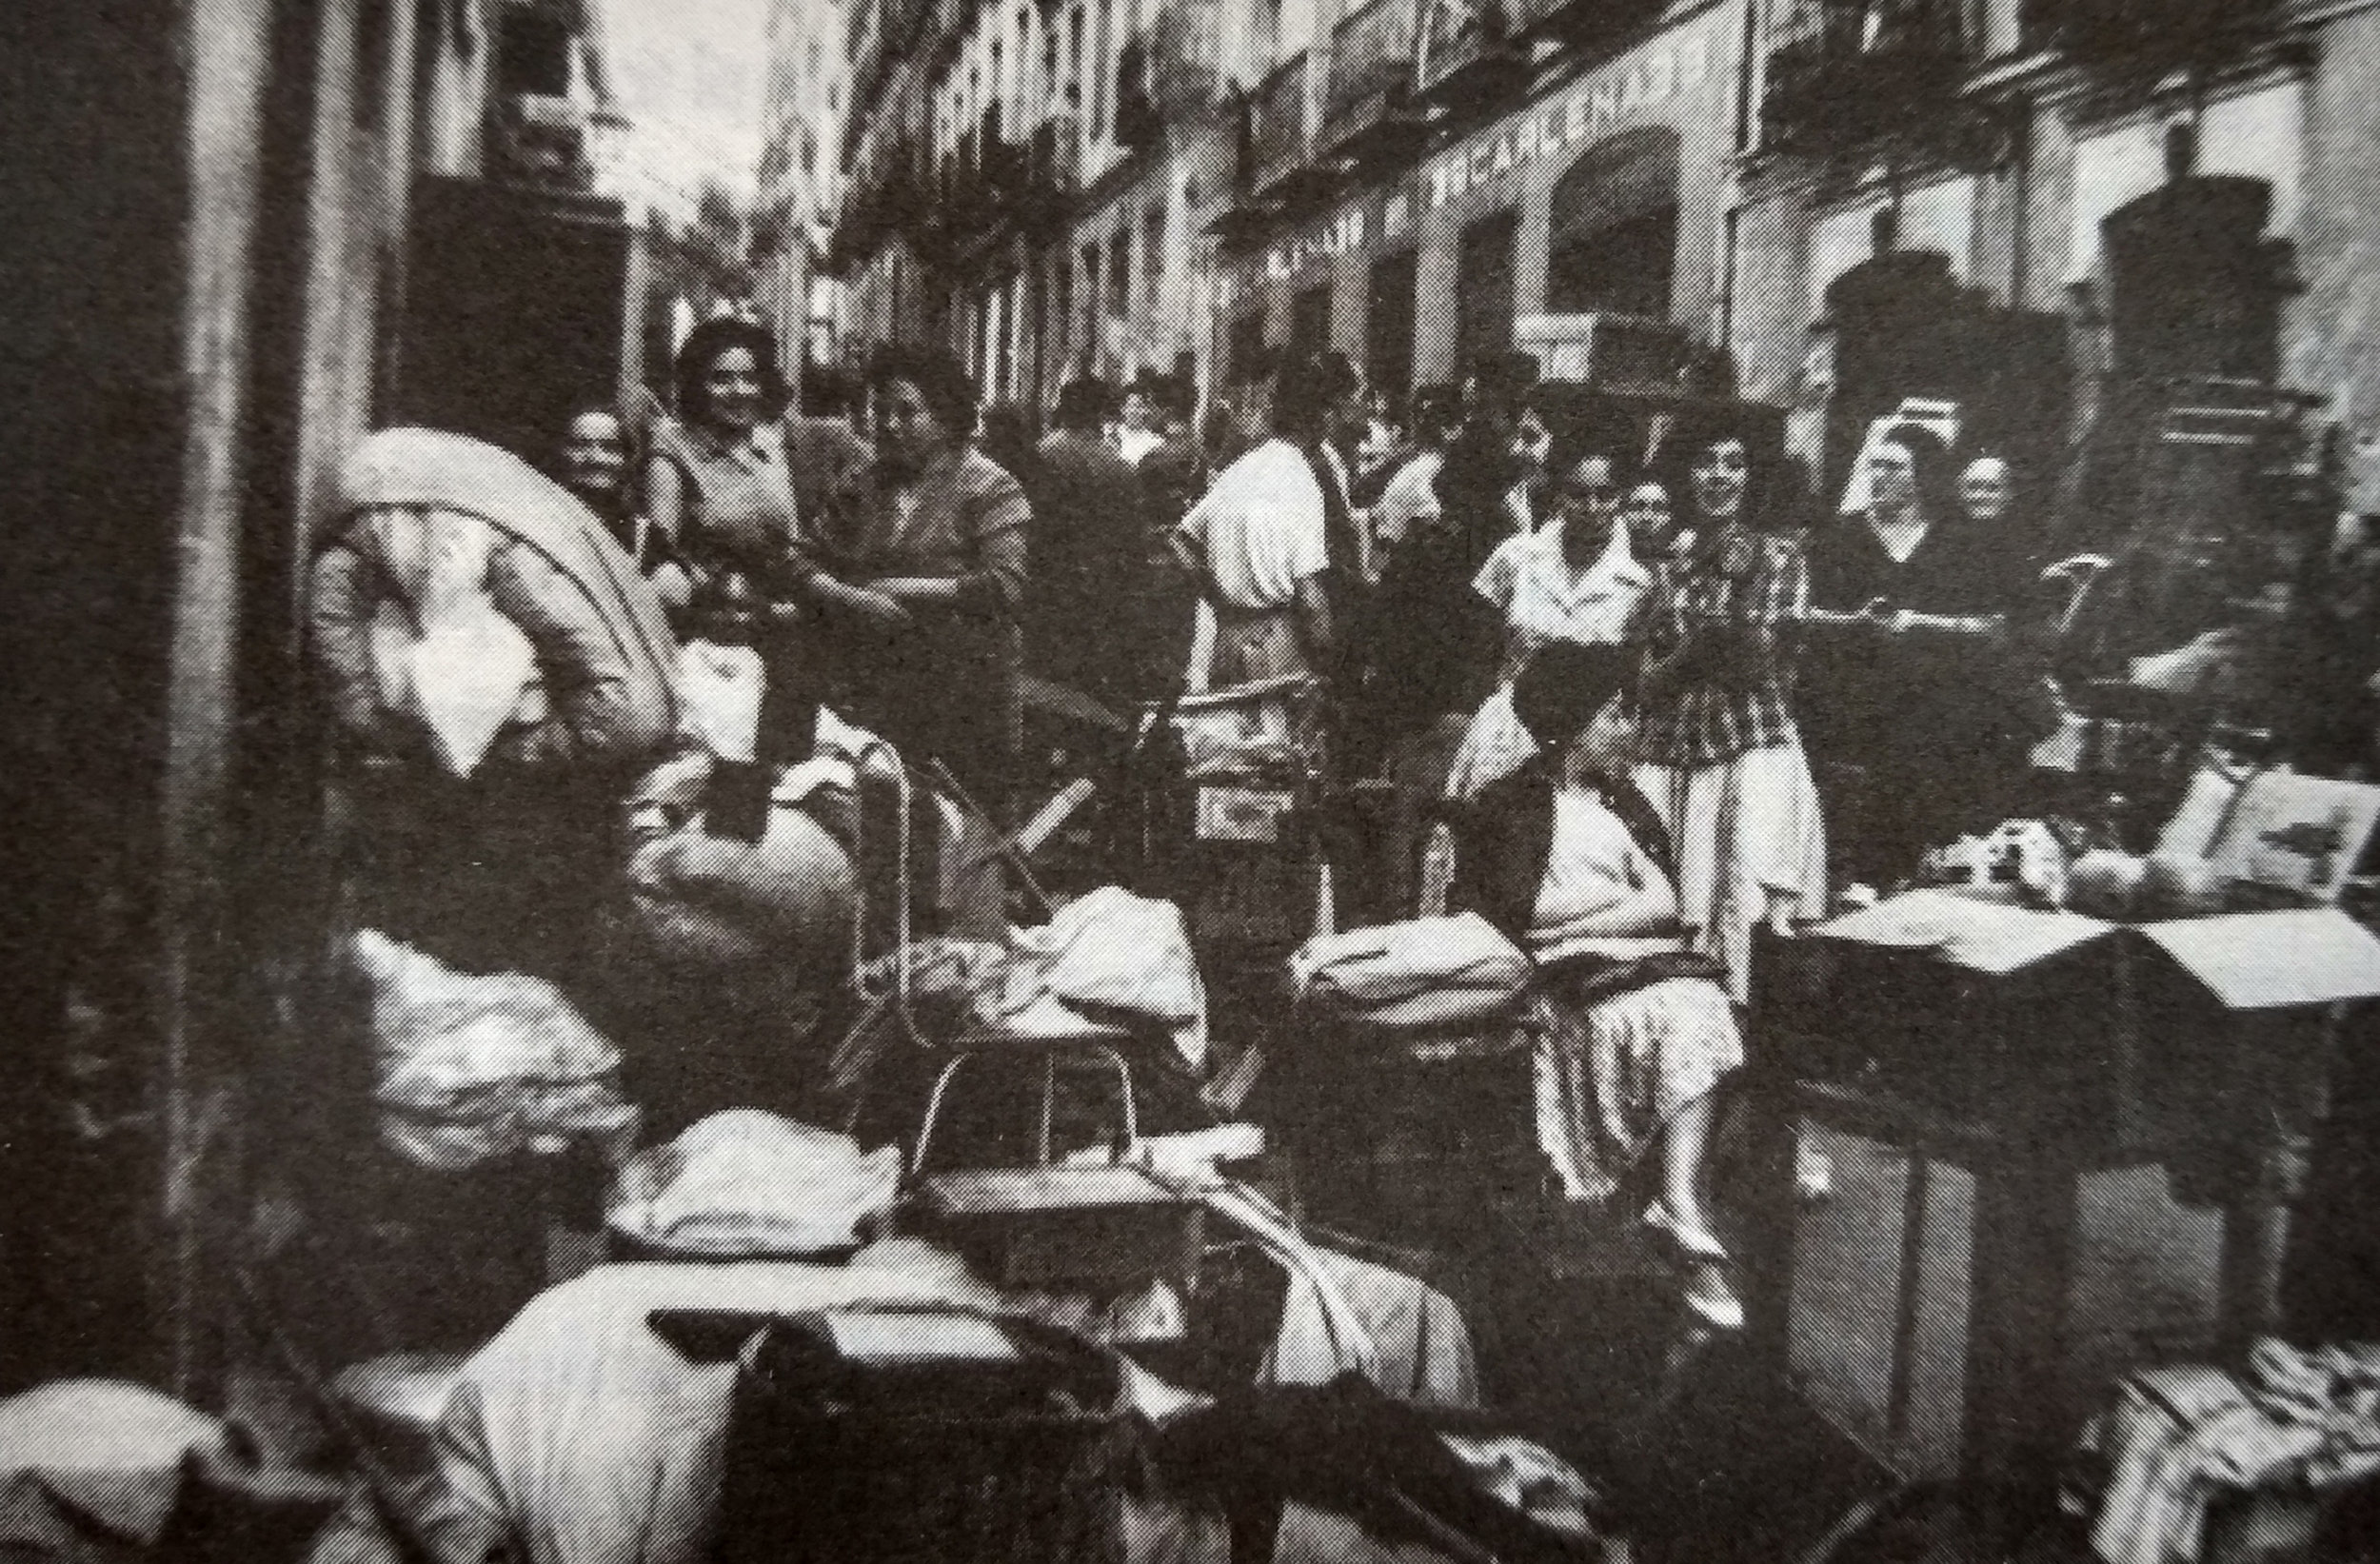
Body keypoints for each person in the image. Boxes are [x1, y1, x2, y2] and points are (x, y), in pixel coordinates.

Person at [1445, 641, 1748, 1330]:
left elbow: (1668, 905)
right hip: (1567, 986)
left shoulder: (1629, 805)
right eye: (1614, 716)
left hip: (1641, 964)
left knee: (1703, 1004)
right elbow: (1510, 919)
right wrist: (1589, 923)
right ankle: (1678, 1207)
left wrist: (1578, 920)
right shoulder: (1509, 805)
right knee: (1688, 1011)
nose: (1628, 731)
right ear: (1569, 723)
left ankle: (1677, 1195)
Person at [309, 427, 679, 984]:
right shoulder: (528, 530)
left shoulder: (506, 547)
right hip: (564, 754)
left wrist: (490, 757)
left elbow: (621, 714)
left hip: (558, 760)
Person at [1629, 421, 1828, 1004]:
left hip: (1749, 745)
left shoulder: (1779, 558)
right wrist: (1695, 652)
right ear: (1686, 474)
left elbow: (1755, 667)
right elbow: (1646, 679)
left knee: (1740, 893)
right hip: (1670, 749)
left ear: (1753, 474)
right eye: (1706, 463)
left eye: (1734, 463)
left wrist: (1706, 637)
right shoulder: (1670, 562)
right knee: (1665, 897)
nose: (1719, 476)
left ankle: (1740, 1034)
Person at [781, 345, 1030, 805]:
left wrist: (905, 588)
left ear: (947, 417)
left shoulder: (989, 485)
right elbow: (798, 559)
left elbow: (1006, 587)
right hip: (873, 692)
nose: (890, 426)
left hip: (966, 697)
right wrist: (847, 598)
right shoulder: (863, 483)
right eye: (881, 412)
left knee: (958, 830)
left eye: (907, 412)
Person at [1805, 426, 2041, 890]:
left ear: (1922, 476)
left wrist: (1918, 622)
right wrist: (1853, 621)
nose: (1880, 475)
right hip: (1849, 695)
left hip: (1933, 698)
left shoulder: (1958, 541)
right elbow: (1805, 611)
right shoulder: (1842, 535)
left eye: (1894, 466)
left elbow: (1993, 626)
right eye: (1876, 464)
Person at [1170, 352, 1358, 689]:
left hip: (1226, 638)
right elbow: (1311, 598)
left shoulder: (1242, 468)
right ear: (1323, 418)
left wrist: (1216, 591)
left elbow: (1180, 541)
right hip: (1273, 642)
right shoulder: (1301, 480)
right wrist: (1329, 665)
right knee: (1278, 739)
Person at [1031, 376, 1150, 712]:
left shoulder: (1040, 455)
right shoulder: (1120, 469)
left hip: (1045, 593)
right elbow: (1133, 548)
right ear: (1101, 415)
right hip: (1099, 598)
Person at [559, 405, 692, 618]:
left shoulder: (642, 534)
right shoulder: (541, 519)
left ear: (626, 460)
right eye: (581, 445)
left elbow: (676, 591)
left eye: (609, 448)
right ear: (562, 452)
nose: (595, 458)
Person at [1370, 384, 1462, 565]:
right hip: (1415, 569)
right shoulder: (1431, 470)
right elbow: (1430, 523)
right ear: (1450, 430)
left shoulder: (1412, 467)